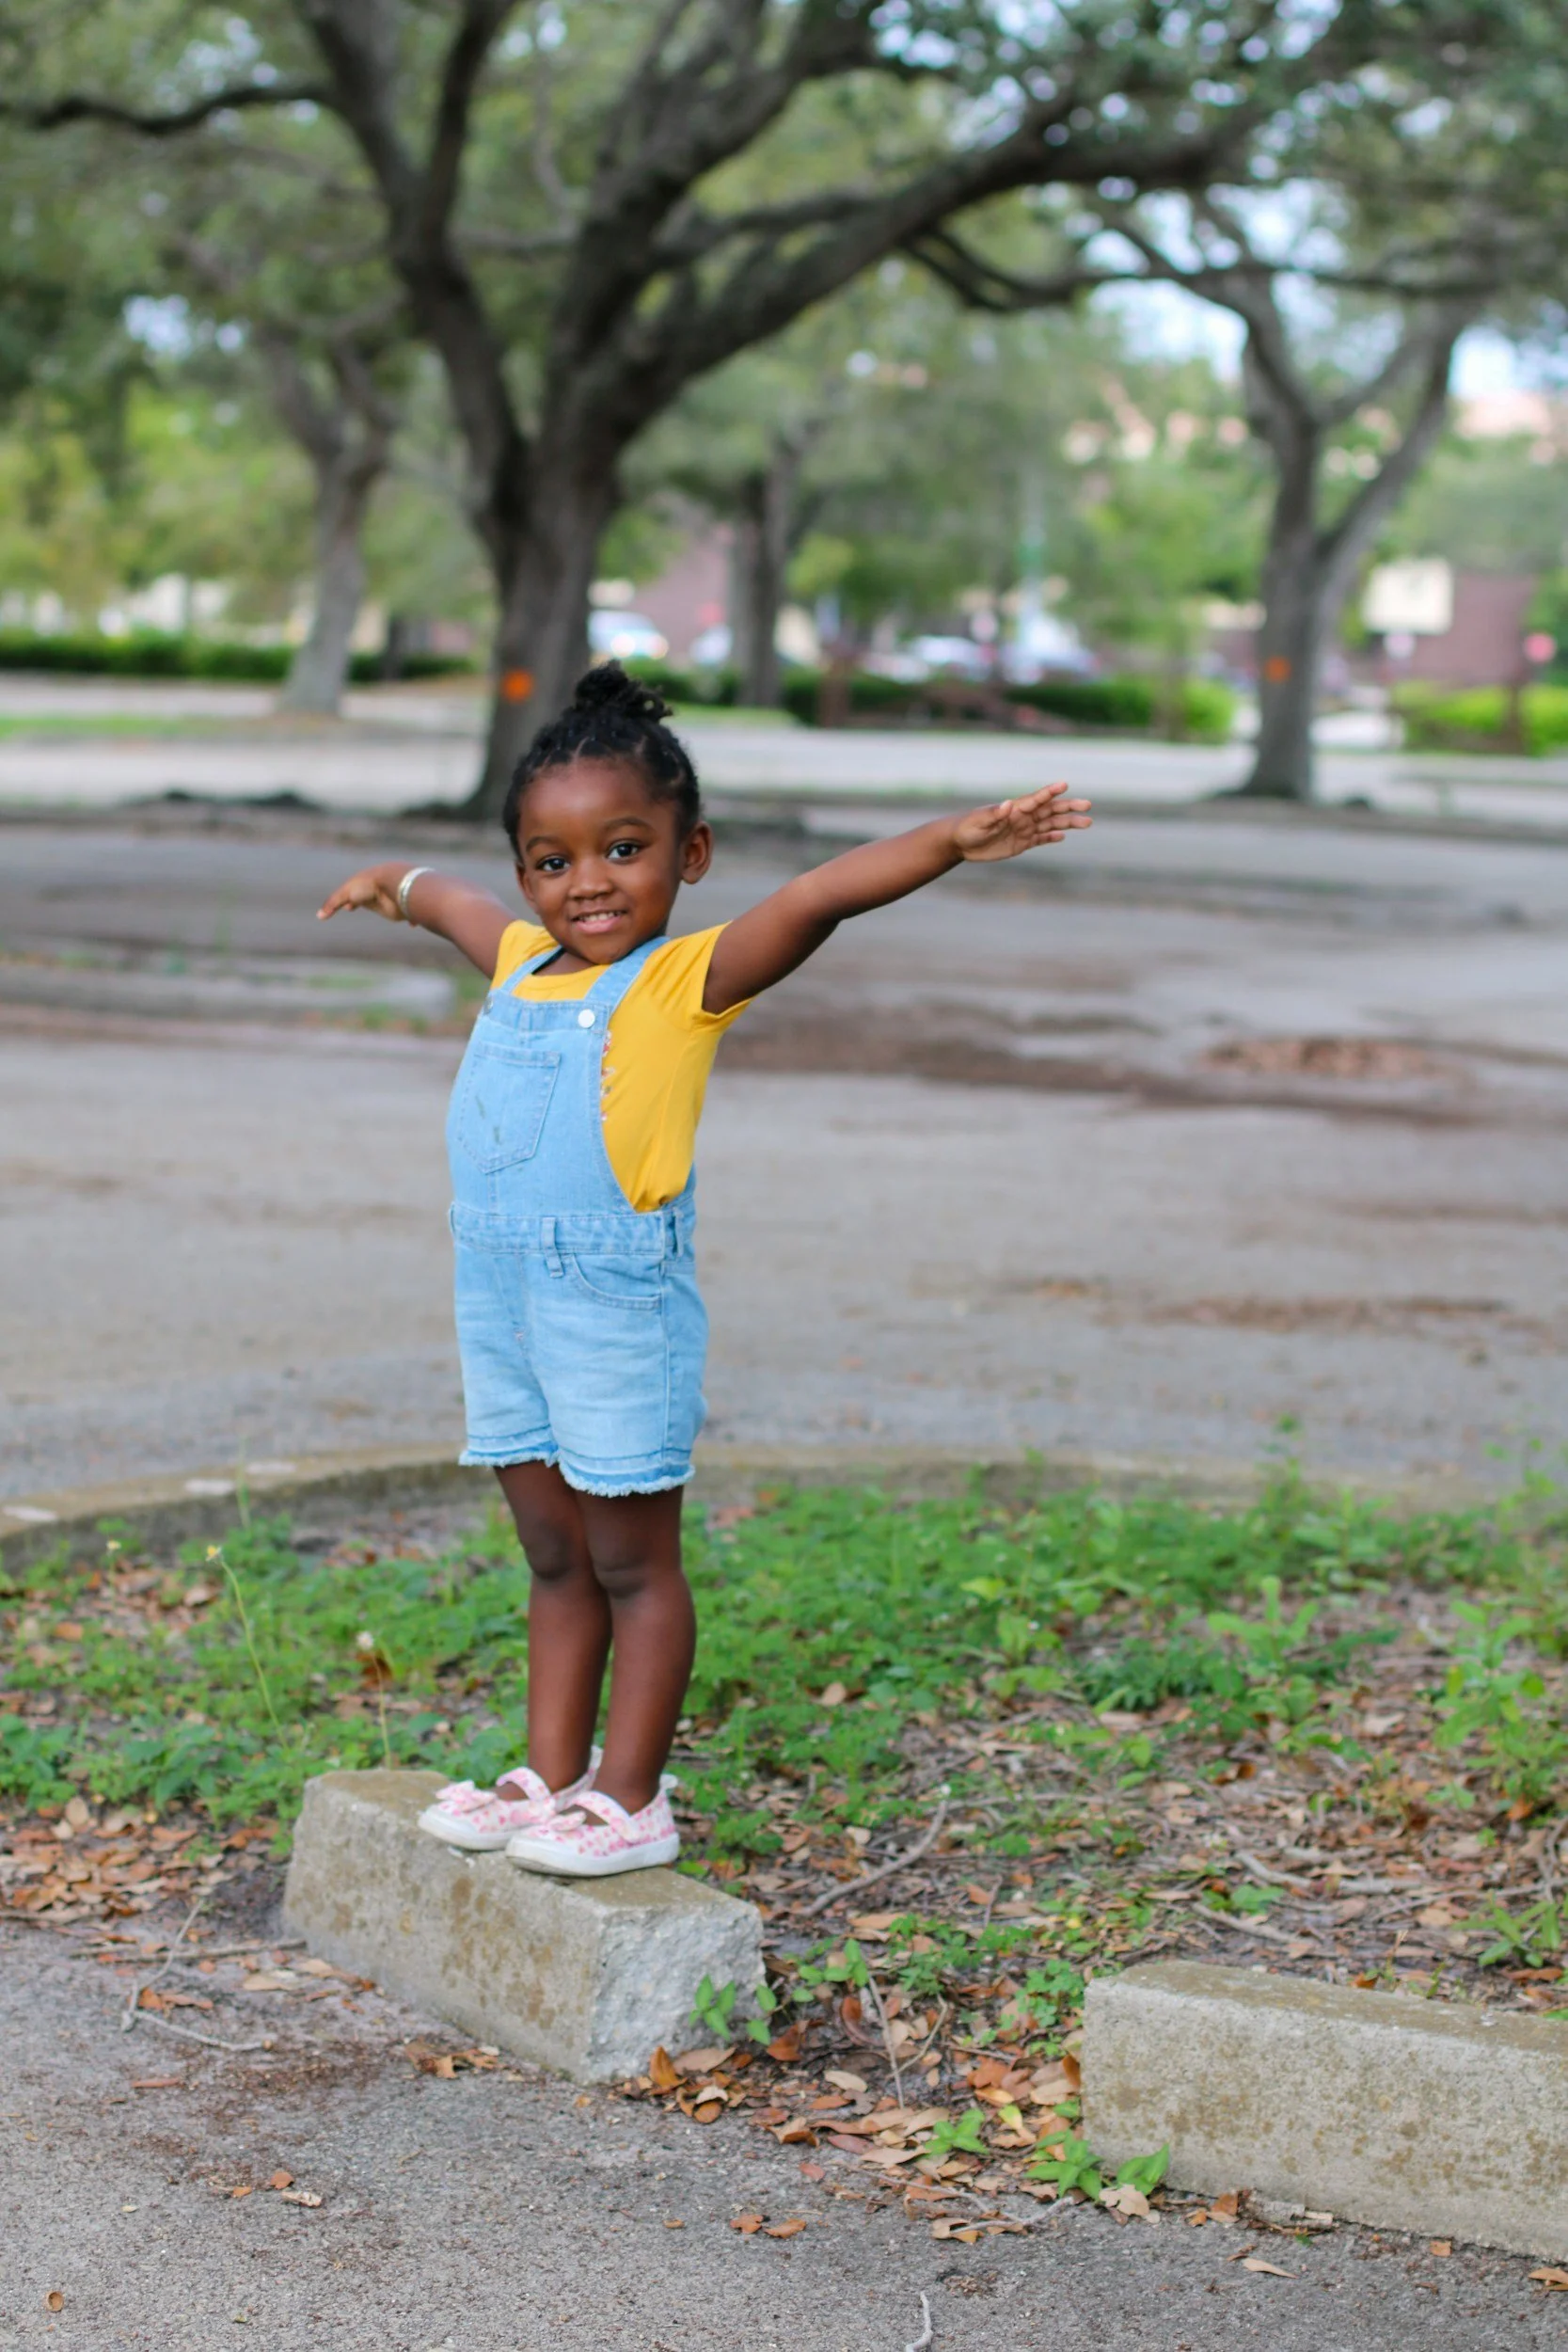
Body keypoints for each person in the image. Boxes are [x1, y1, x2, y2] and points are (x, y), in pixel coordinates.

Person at [317, 662, 1091, 1876]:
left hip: (612, 1303)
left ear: (692, 855)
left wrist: (954, 838)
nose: (587, 884)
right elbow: (454, 902)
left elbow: (822, 897)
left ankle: (630, 1798)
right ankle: (549, 1775)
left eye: (623, 849)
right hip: (504, 1298)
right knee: (553, 1555)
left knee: (631, 1561)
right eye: (552, 860)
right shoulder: (521, 961)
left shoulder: (688, 981)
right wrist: (394, 885)